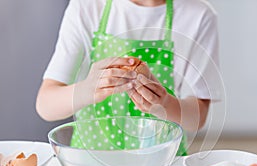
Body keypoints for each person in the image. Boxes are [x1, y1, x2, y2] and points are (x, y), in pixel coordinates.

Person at [36, 0, 221, 156]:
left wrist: (164, 104)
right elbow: (45, 105)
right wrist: (86, 90)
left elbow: (198, 118)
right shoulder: (87, 7)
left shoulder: (199, 16)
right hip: (89, 165)